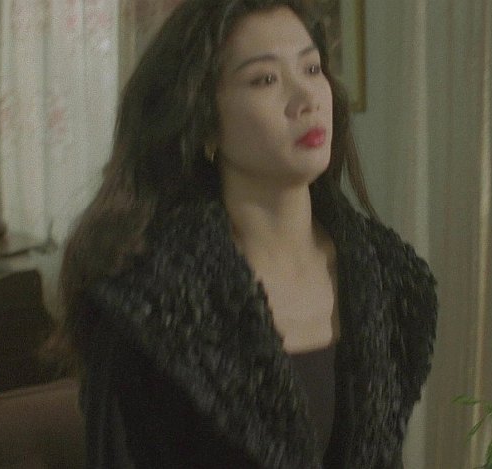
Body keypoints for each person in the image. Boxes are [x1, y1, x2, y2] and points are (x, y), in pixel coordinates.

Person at [55, 0, 437, 467]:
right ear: (204, 123)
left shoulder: (387, 278)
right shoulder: (151, 303)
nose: (307, 97)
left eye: (312, 68)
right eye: (265, 79)